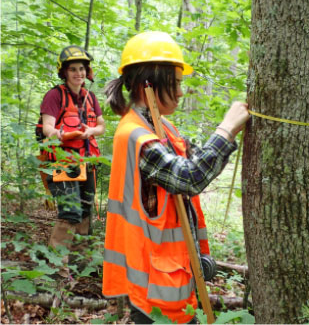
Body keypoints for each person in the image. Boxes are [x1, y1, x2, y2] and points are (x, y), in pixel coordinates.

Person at [102, 31, 249, 324]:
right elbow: (190, 177)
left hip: (169, 275)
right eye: (177, 83)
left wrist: (226, 137)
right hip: (152, 283)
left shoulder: (162, 127)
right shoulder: (135, 136)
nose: (181, 92)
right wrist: (225, 129)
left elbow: (196, 162)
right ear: (150, 83)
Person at [38, 45, 105, 251]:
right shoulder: (54, 96)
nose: (79, 73)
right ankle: (57, 265)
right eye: (73, 69)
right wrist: (61, 134)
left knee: (85, 210)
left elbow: (101, 127)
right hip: (61, 160)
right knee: (70, 212)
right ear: (64, 72)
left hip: (86, 162)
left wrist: (89, 131)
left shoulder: (90, 98)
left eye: (82, 69)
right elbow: (48, 126)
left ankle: (80, 261)